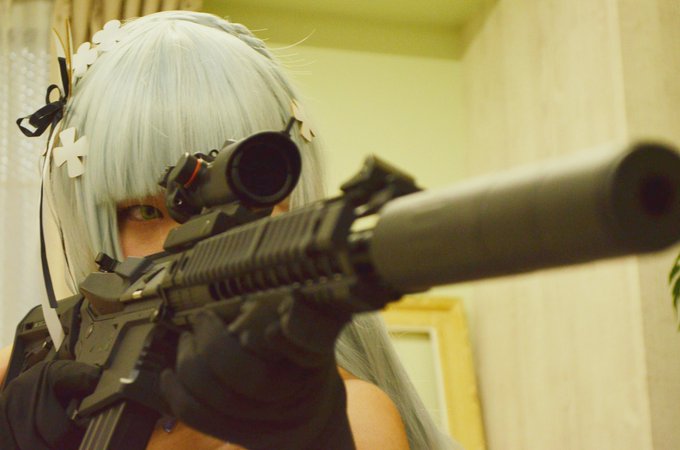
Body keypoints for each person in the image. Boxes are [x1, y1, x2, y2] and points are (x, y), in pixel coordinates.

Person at [0, 11, 459, 450]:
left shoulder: (343, 418)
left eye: (238, 205)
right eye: (143, 211)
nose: (190, 241)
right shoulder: (27, 374)